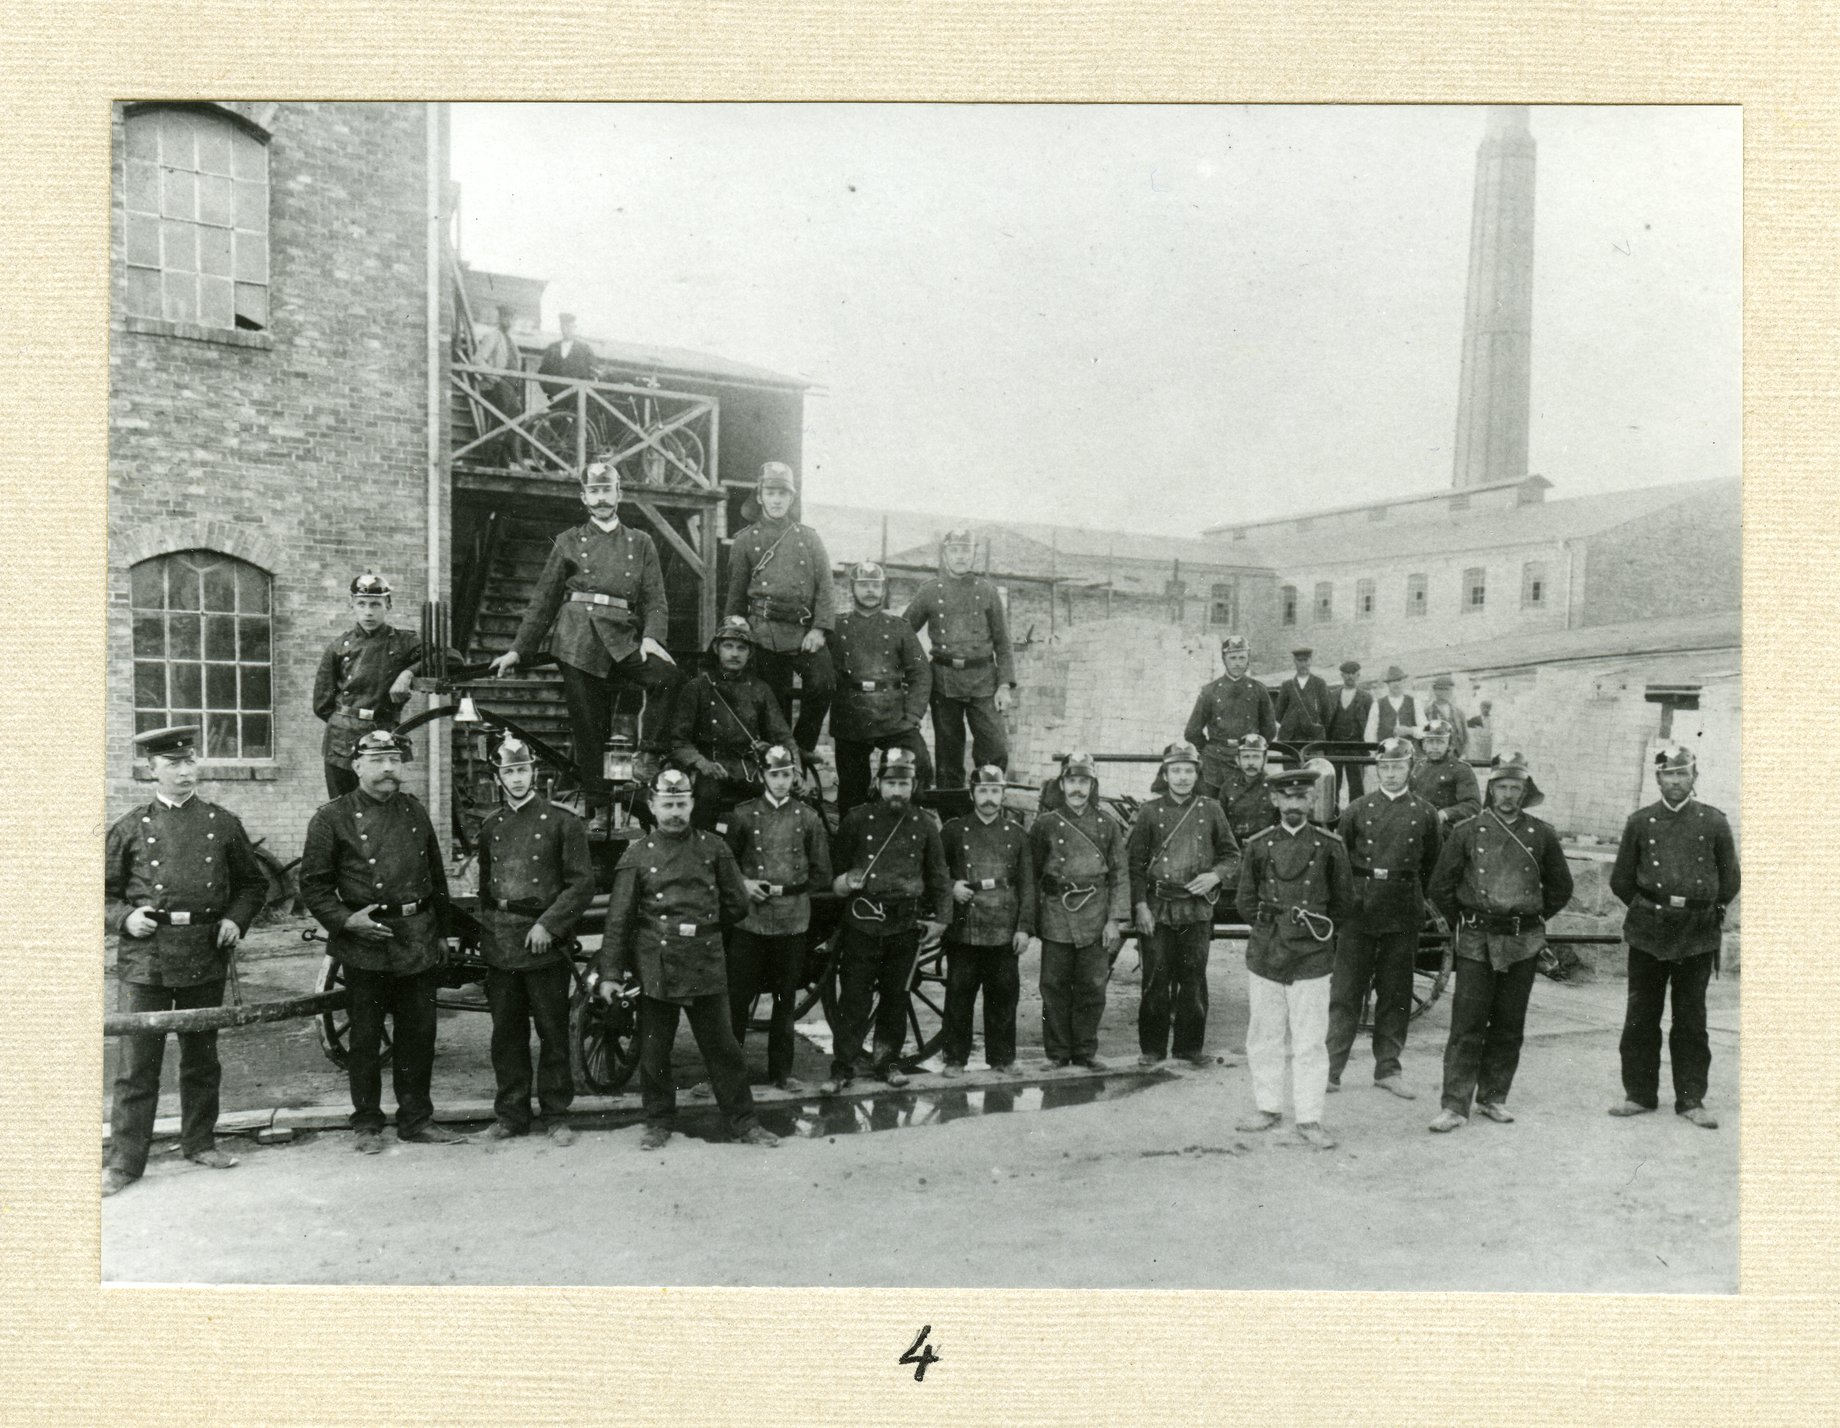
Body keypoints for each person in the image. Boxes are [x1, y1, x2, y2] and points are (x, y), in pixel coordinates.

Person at [102, 727, 268, 1197]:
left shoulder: (223, 822)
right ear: (150, 770)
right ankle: (125, 1162)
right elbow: (101, 893)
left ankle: (200, 1142)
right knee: (137, 1065)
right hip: (146, 959)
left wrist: (236, 920)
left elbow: (253, 885)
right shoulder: (129, 828)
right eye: (172, 764)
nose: (184, 771)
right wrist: (125, 917)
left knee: (201, 1058)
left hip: (203, 951)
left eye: (189, 762)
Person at [592, 769, 780, 1151]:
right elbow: (619, 920)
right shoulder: (637, 855)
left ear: (693, 804)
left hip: (705, 961)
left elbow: (737, 904)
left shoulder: (714, 849)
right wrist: (611, 973)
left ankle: (744, 1122)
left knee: (723, 1049)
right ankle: (658, 1122)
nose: (675, 812)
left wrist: (702, 929)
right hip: (656, 964)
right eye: (668, 805)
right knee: (654, 1049)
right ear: (652, 805)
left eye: (682, 804)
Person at [299, 730, 468, 1153]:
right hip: (366, 940)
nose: (389, 767)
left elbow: (437, 878)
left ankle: (416, 1120)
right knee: (366, 1038)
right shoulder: (331, 818)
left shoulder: (413, 810)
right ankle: (367, 1124)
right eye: (377, 759)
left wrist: (443, 931)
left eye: (394, 758)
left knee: (418, 1034)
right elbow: (314, 887)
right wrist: (346, 921)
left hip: (416, 936)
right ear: (357, 766)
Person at [490, 461, 680, 837]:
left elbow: (655, 598)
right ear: (584, 497)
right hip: (578, 637)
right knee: (589, 727)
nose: (602, 498)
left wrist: (652, 637)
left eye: (608, 490)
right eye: (594, 491)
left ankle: (648, 755)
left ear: (619, 495)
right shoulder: (568, 541)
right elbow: (544, 600)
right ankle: (599, 809)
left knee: (668, 678)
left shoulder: (641, 542)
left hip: (624, 636)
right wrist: (518, 650)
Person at [1426, 753, 1575, 1133]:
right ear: (1491, 790)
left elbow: (1561, 887)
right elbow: (1441, 886)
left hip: (1523, 941)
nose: (1509, 794)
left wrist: (1529, 915)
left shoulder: (1542, 834)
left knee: (1509, 1023)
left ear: (1526, 792)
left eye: (1516, 788)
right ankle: (1455, 1105)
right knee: (1467, 1024)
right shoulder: (1466, 830)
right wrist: (1469, 918)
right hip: (1476, 940)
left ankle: (1494, 1097)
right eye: (1502, 787)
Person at [1607, 743, 1740, 1130]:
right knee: (1641, 1016)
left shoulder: (1713, 822)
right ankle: (1639, 1094)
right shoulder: (1640, 821)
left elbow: (1730, 879)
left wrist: (1703, 909)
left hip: (1696, 933)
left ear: (1694, 777)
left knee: (1691, 1019)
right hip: (1649, 931)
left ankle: (1692, 1099)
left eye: (1682, 773)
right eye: (1669, 774)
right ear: (1658, 779)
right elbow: (1621, 879)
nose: (1675, 781)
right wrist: (1647, 908)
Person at [474, 735, 595, 1146]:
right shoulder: (491, 826)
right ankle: (511, 1115)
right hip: (502, 943)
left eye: (523, 769)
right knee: (506, 1035)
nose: (518, 778)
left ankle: (557, 1115)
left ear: (535, 773)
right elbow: (485, 891)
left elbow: (581, 885)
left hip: (544, 942)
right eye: (509, 771)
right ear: (498, 777)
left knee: (552, 1031)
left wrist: (549, 925)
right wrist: (487, 932)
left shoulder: (563, 821)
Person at [1234, 767, 1355, 1150]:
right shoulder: (1258, 845)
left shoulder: (1329, 845)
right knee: (1264, 1035)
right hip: (1268, 950)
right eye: (1287, 797)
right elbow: (1245, 901)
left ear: (1311, 801)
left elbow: (1343, 903)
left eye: (1302, 797)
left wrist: (1308, 927)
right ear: (1275, 800)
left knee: (1310, 1040)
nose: (1294, 804)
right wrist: (1273, 925)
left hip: (1312, 954)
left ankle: (1310, 1117)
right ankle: (1267, 1107)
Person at [822, 747, 951, 1093]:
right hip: (862, 924)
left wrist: (941, 919)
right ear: (878, 783)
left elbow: (939, 876)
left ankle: (888, 1063)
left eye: (904, 783)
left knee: (896, 998)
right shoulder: (856, 819)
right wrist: (844, 882)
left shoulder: (925, 824)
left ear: (913, 785)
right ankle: (842, 1067)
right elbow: (835, 870)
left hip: (905, 926)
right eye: (891, 782)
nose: (897, 790)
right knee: (853, 998)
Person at [1325, 736, 1442, 1099]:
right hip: (1359, 911)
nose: (1391, 774)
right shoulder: (1357, 810)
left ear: (1411, 768)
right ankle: (1330, 1070)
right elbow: (1339, 862)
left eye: (1398, 767)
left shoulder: (1425, 813)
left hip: (1402, 910)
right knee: (1345, 993)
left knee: (1395, 994)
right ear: (1377, 770)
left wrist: (1410, 894)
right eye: (1385, 767)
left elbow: (1432, 866)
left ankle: (1388, 1069)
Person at [723, 744, 833, 1092]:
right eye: (775, 775)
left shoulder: (808, 817)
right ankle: (729, 1075)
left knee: (785, 1002)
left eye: (787, 774)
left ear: (794, 776)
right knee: (738, 1000)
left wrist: (793, 892)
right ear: (762, 776)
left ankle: (781, 1074)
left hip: (792, 919)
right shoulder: (743, 816)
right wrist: (745, 884)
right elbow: (727, 866)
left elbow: (822, 872)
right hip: (750, 919)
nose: (781, 781)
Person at [1126, 741, 1239, 1069]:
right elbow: (1134, 864)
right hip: (1158, 907)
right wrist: (1140, 906)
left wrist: (1215, 876)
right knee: (1155, 979)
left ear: (1197, 774)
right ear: (1165, 774)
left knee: (1193, 979)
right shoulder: (1149, 812)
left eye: (1188, 771)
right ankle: (1152, 1049)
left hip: (1196, 908)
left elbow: (1231, 854)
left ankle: (1189, 1048)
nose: (1182, 777)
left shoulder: (1211, 809)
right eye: (1175, 770)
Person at [723, 462, 837, 766]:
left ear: (791, 499)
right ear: (760, 496)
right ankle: (779, 759)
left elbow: (826, 586)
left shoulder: (809, 538)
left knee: (824, 682)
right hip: (763, 631)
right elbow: (735, 594)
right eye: (770, 492)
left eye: (782, 494)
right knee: (773, 700)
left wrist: (820, 629)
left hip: (803, 633)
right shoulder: (745, 539)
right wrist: (737, 630)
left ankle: (801, 745)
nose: (776, 500)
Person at [1029, 751, 1129, 1071]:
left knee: (1092, 985)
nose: (1077, 788)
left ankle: (1085, 1051)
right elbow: (1031, 874)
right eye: (1072, 780)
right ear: (1062, 784)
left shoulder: (1107, 825)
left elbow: (1119, 875)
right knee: (1053, 986)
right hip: (1057, 912)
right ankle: (1057, 1053)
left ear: (1092, 785)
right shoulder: (1045, 824)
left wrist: (1114, 920)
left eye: (1084, 781)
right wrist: (1031, 920)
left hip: (1095, 914)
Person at [939, 764, 1035, 1077]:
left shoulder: (1017, 834)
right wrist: (951, 886)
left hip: (1003, 928)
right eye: (983, 791)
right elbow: (936, 871)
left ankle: (1003, 1059)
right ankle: (955, 1060)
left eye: (995, 791)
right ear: (972, 794)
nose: (989, 798)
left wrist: (1023, 928)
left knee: (1003, 998)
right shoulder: (954, 830)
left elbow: (1027, 885)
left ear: (1004, 794)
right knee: (958, 997)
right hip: (965, 927)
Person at [903, 529, 1017, 788]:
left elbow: (1003, 642)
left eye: (966, 550)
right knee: (949, 754)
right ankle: (951, 818)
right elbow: (903, 632)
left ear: (974, 554)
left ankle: (988, 802)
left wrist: (1004, 685)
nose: (961, 556)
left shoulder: (987, 591)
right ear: (945, 554)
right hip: (944, 681)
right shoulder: (930, 591)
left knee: (995, 748)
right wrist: (913, 671)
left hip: (984, 681)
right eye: (955, 550)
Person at [828, 560, 933, 815]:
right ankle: (854, 841)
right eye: (863, 585)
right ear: (852, 589)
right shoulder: (835, 627)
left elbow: (921, 671)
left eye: (875, 585)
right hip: (852, 718)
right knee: (852, 791)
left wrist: (913, 715)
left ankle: (911, 824)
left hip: (893, 717)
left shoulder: (900, 628)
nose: (870, 591)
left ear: (883, 589)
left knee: (919, 764)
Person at [668, 615, 792, 831]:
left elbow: (782, 736)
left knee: (783, 803)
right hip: (710, 767)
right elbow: (679, 741)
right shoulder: (697, 687)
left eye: (741, 648)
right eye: (728, 646)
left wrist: (780, 757)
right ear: (717, 648)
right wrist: (700, 763)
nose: (734, 653)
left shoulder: (760, 689)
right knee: (705, 798)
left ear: (750, 652)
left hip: (749, 769)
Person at [311, 572, 422, 799]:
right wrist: (347, 720)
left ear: (388, 605)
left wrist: (407, 674)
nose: (368, 611)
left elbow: (449, 658)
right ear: (351, 605)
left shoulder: (403, 642)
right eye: (361, 604)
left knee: (383, 810)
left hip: (382, 737)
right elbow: (321, 705)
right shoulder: (338, 647)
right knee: (341, 812)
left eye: (375, 604)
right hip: (341, 743)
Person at [1183, 634, 1277, 798]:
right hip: (1215, 764)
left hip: (1247, 763)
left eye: (1242, 657)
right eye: (1232, 658)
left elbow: (1269, 729)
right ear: (1224, 659)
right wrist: (1208, 751)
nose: (1237, 663)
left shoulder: (1259, 690)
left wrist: (1254, 749)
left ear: (1248, 659)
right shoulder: (1209, 691)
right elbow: (1192, 731)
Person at [536, 312, 598, 455]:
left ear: (574, 328)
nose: (566, 330)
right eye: (564, 326)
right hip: (557, 397)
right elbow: (543, 372)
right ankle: (552, 465)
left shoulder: (584, 349)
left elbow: (593, 373)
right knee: (556, 428)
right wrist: (549, 392)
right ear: (561, 328)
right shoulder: (552, 348)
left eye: (570, 327)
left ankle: (572, 463)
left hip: (577, 397)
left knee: (576, 430)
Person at [472, 303, 525, 468]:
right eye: (505, 317)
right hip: (496, 387)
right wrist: (495, 377)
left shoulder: (512, 341)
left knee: (515, 417)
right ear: (500, 318)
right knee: (502, 421)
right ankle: (493, 459)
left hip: (510, 388)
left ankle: (504, 459)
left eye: (511, 318)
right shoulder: (493, 336)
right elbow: (477, 360)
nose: (508, 321)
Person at [1409, 719, 1481, 829]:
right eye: (1430, 741)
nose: (1434, 747)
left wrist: (1446, 813)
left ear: (1449, 744)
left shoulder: (1461, 770)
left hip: (1446, 829)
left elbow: (1473, 805)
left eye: (1440, 742)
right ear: (1423, 744)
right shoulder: (1418, 767)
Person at [1216, 732, 1280, 845]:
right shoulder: (1228, 787)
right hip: (1236, 847)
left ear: (1265, 760)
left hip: (1267, 847)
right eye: (1246, 757)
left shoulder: (1274, 786)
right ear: (1237, 760)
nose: (1251, 763)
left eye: (1256, 757)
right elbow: (1220, 826)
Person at [1326, 659, 1373, 801]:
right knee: (1333, 783)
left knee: (1356, 785)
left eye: (1353, 673)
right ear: (1342, 675)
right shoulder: (1332, 695)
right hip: (1335, 745)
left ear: (1358, 675)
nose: (1350, 676)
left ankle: (1355, 815)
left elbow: (1370, 723)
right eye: (1346, 673)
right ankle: (1332, 816)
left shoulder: (1366, 697)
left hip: (1356, 746)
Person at [1274, 647, 1333, 745]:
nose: (1303, 664)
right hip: (1291, 737)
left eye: (1305, 660)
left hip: (1313, 737)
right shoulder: (1287, 685)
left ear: (1310, 661)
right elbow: (1278, 714)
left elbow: (1327, 713)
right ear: (1294, 662)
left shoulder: (1319, 683)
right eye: (1299, 661)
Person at [1363, 665, 1420, 744]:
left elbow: (1425, 729)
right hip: (1386, 752)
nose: (1396, 684)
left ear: (1404, 681)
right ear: (1388, 684)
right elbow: (1370, 733)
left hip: (1409, 751)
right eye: (1392, 681)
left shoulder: (1414, 702)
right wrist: (1375, 752)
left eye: (1399, 680)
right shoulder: (1377, 704)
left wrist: (1410, 731)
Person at [1424, 675, 1469, 759]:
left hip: (1456, 757)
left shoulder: (1459, 713)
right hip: (1434, 758)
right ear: (1435, 691)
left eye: (1448, 689)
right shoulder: (1426, 712)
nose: (1446, 693)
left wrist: (1464, 754)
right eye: (1441, 689)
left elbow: (1466, 737)